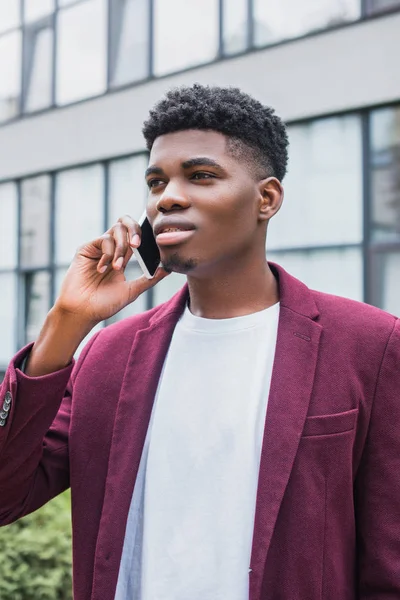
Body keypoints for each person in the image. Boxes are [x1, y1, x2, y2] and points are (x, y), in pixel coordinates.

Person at [0, 84, 399, 600]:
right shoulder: (108, 357)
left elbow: (389, 569)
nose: (168, 197)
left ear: (267, 198)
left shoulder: (370, 345)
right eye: (156, 181)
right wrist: (65, 326)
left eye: (201, 175)